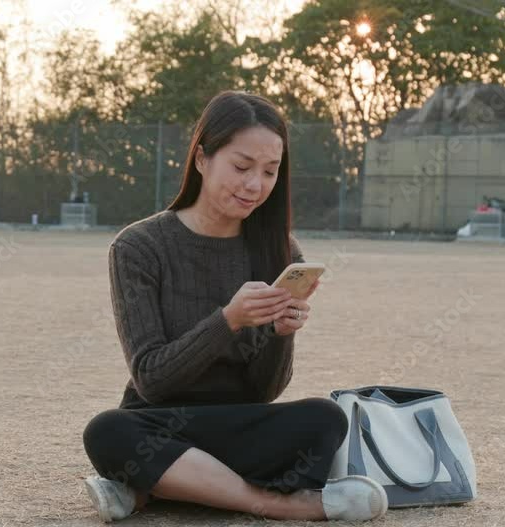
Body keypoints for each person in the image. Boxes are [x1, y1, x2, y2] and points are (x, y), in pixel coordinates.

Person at [81, 91, 388, 523]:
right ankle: (275, 504)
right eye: (242, 167)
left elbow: (263, 393)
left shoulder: (280, 250)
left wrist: (283, 334)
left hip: (240, 424)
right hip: (158, 423)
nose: (255, 185)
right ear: (202, 158)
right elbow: (151, 379)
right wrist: (228, 320)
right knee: (107, 432)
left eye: (269, 172)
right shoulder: (139, 246)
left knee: (324, 419)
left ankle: (153, 488)